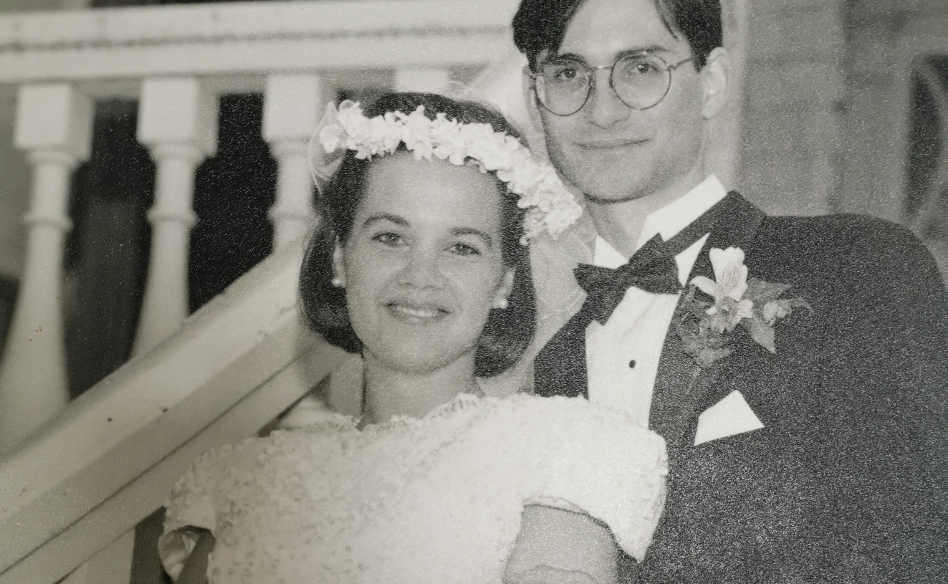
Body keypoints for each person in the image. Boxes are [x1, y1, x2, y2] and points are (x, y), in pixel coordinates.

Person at [512, 0, 948, 581]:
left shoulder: (858, 270)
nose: (602, 110)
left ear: (712, 82)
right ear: (533, 95)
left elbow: (915, 550)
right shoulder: (532, 349)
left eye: (641, 69)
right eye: (568, 73)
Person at [157, 92, 669, 584]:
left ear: (505, 281)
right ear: (340, 258)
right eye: (390, 237)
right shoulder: (247, 484)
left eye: (462, 248)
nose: (420, 276)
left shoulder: (558, 453)